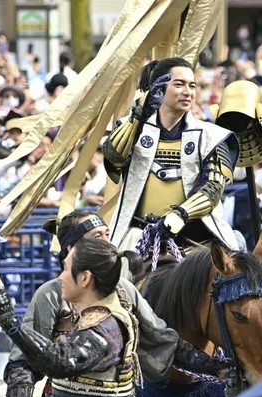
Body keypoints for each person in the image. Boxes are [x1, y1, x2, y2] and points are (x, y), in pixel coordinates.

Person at [3, 210, 230, 397]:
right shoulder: (51, 294)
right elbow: (23, 363)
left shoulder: (125, 289)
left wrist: (218, 368)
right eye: (96, 236)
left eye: (107, 234)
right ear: (72, 249)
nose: (106, 241)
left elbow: (163, 340)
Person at [102, 57, 240, 256]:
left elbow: (212, 189)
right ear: (158, 88)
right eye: (179, 84)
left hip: (195, 243)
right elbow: (113, 158)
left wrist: (180, 215)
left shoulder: (212, 136)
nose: (188, 92)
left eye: (192, 86)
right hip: (137, 239)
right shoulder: (130, 127)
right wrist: (140, 116)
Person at [0, 238, 142, 397]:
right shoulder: (93, 317)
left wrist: (11, 322)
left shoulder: (106, 326)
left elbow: (59, 362)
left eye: (66, 269)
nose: (61, 276)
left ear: (85, 278)